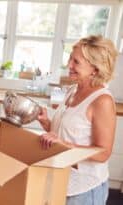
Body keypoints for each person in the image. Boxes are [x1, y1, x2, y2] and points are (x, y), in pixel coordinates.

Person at [37, 35, 118, 205]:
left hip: (85, 190)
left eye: (76, 62)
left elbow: (103, 153)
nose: (69, 65)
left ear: (95, 69)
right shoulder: (73, 90)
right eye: (70, 59)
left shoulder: (102, 101)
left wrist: (64, 145)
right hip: (62, 181)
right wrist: (47, 123)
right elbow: (67, 135)